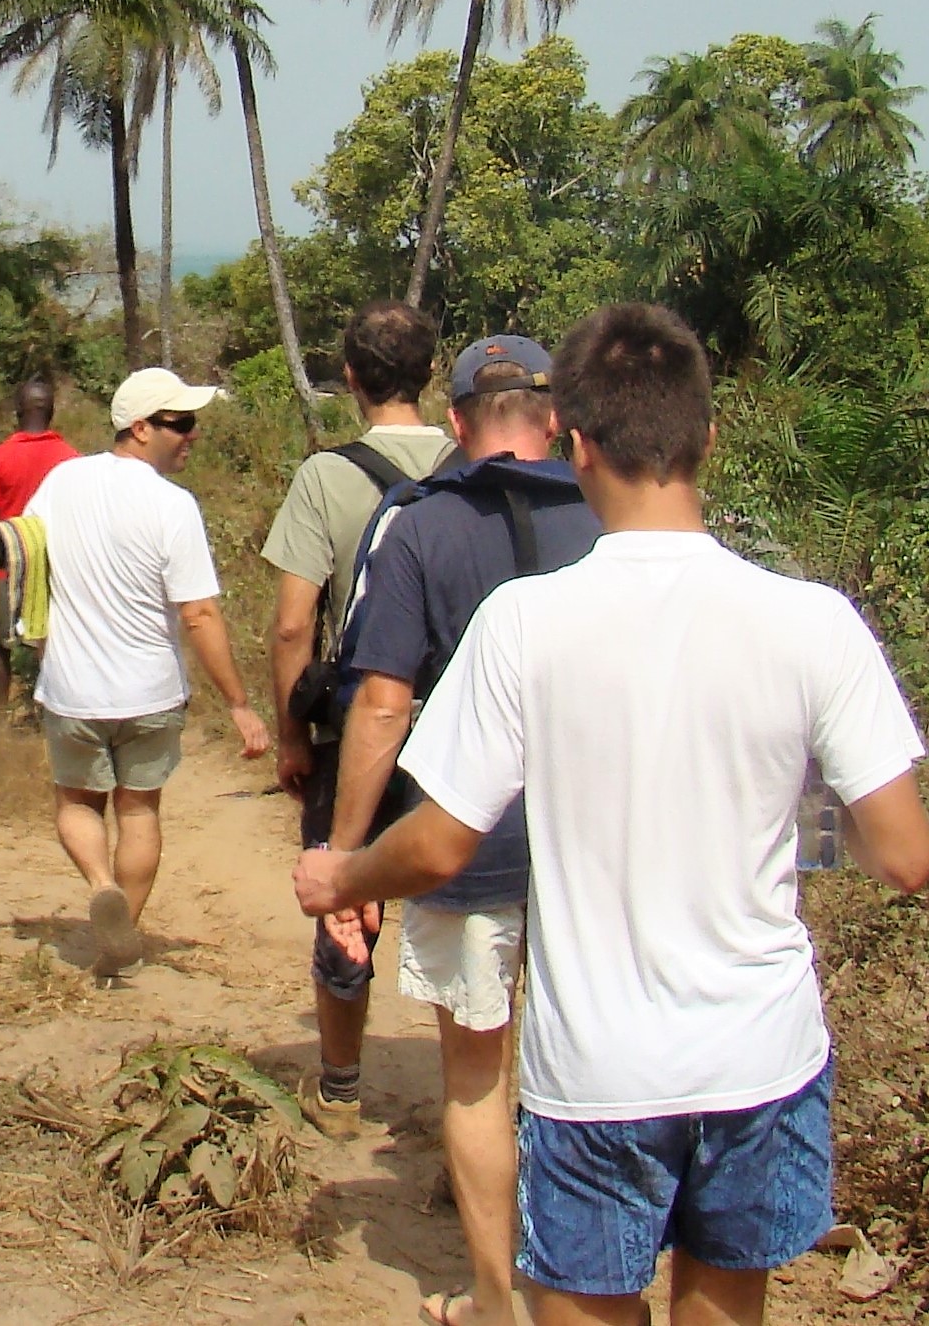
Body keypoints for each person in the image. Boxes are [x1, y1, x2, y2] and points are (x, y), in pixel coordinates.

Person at [293, 304, 929, 1326]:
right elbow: (904, 855)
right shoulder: (815, 623)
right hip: (760, 1057)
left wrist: (345, 873)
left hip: (600, 1073)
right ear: (708, 439)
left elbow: (445, 841)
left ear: (579, 443)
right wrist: (793, 812)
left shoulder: (525, 626)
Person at [323, 335, 601, 1326]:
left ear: (454, 423)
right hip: (600, 843)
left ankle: (496, 1298)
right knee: (594, 1068)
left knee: (477, 1077)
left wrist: (350, 858)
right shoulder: (617, 509)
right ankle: (595, 1277)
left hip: (464, 836)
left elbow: (382, 705)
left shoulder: (419, 528)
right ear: (557, 416)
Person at [261, 299, 456, 1131]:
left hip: (356, 729)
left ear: (349, 378)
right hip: (459, 731)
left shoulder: (325, 476)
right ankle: (474, 1101)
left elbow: (293, 622)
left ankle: (340, 1083)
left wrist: (292, 735)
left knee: (345, 892)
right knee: (470, 914)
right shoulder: (470, 466)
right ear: (430, 374)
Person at [27, 366, 271, 976]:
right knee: (139, 812)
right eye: (180, 423)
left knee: (78, 803)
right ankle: (120, 939)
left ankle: (100, 883)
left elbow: (27, 550)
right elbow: (199, 613)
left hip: (72, 689)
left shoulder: (62, 480)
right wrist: (239, 703)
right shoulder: (173, 505)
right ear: (140, 428)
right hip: (151, 692)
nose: (192, 435)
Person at [0, 378, 79, 706]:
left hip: (2, 569)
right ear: (51, 411)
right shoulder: (72, 460)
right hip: (56, 566)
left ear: (16, 411)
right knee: (55, 644)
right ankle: (54, 712)